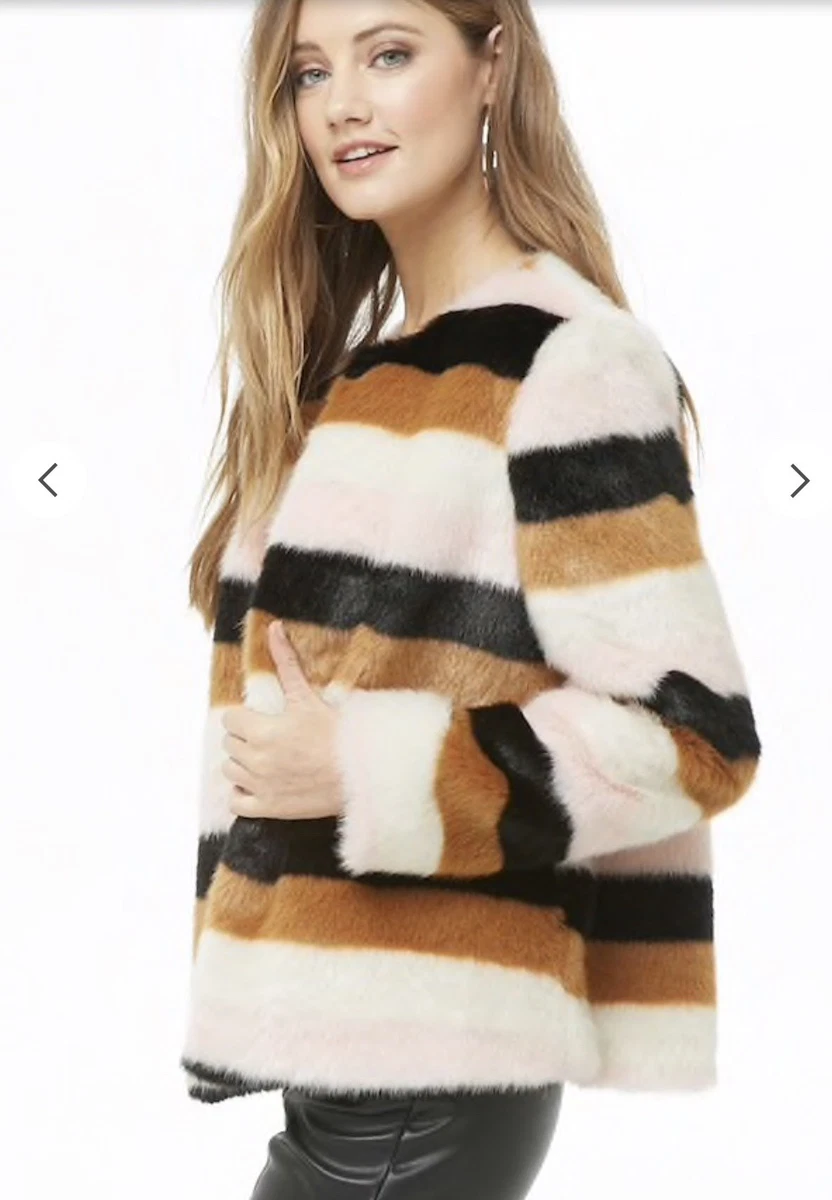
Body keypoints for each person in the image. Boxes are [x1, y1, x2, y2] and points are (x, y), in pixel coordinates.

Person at [181, 2, 762, 1197]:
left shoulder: (564, 364)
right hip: (348, 1067)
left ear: (491, 64)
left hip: (428, 1077)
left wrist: (365, 770)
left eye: (389, 54)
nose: (342, 104)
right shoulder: (358, 379)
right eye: (309, 73)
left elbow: (695, 737)